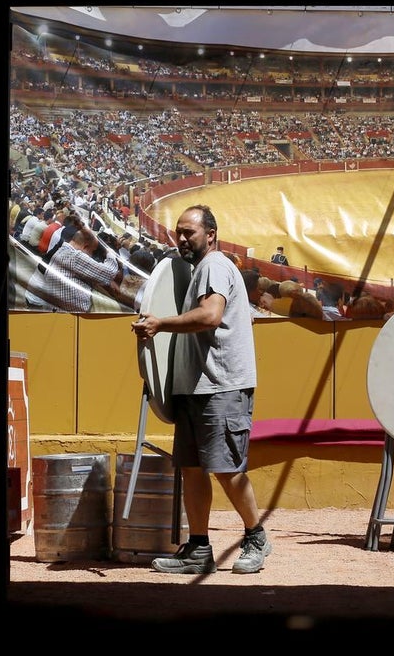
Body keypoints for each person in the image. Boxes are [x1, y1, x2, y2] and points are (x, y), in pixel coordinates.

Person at [131, 204, 270, 575]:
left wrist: (160, 324)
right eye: (178, 232)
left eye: (189, 232)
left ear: (211, 235)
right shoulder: (199, 270)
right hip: (196, 386)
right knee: (192, 469)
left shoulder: (214, 266)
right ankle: (198, 548)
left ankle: (256, 537)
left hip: (221, 386)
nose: (181, 238)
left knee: (227, 469)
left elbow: (211, 315)